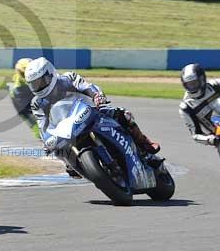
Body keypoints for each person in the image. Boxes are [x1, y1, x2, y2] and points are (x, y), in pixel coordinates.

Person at [24, 57, 162, 178]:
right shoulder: (37, 103)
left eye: (41, 82)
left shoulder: (67, 78)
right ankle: (70, 164)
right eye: (34, 84)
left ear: (50, 73)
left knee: (123, 114)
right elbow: (43, 126)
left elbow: (87, 87)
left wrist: (97, 96)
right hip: (66, 126)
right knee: (56, 148)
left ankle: (144, 143)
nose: (39, 86)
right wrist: (46, 141)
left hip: (90, 110)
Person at [7, 57, 39, 138]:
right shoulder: (17, 86)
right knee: (28, 115)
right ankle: (39, 134)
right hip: (20, 99)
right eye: (23, 73)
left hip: (28, 93)